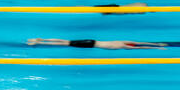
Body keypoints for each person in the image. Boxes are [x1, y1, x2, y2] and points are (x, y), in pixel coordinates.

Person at [26, 38, 166, 49]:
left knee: (66, 41)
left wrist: (157, 44)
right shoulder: (124, 47)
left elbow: (141, 43)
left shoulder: (123, 42)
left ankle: (40, 39)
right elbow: (142, 47)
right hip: (91, 45)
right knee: (66, 43)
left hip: (92, 41)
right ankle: (41, 41)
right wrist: (156, 47)